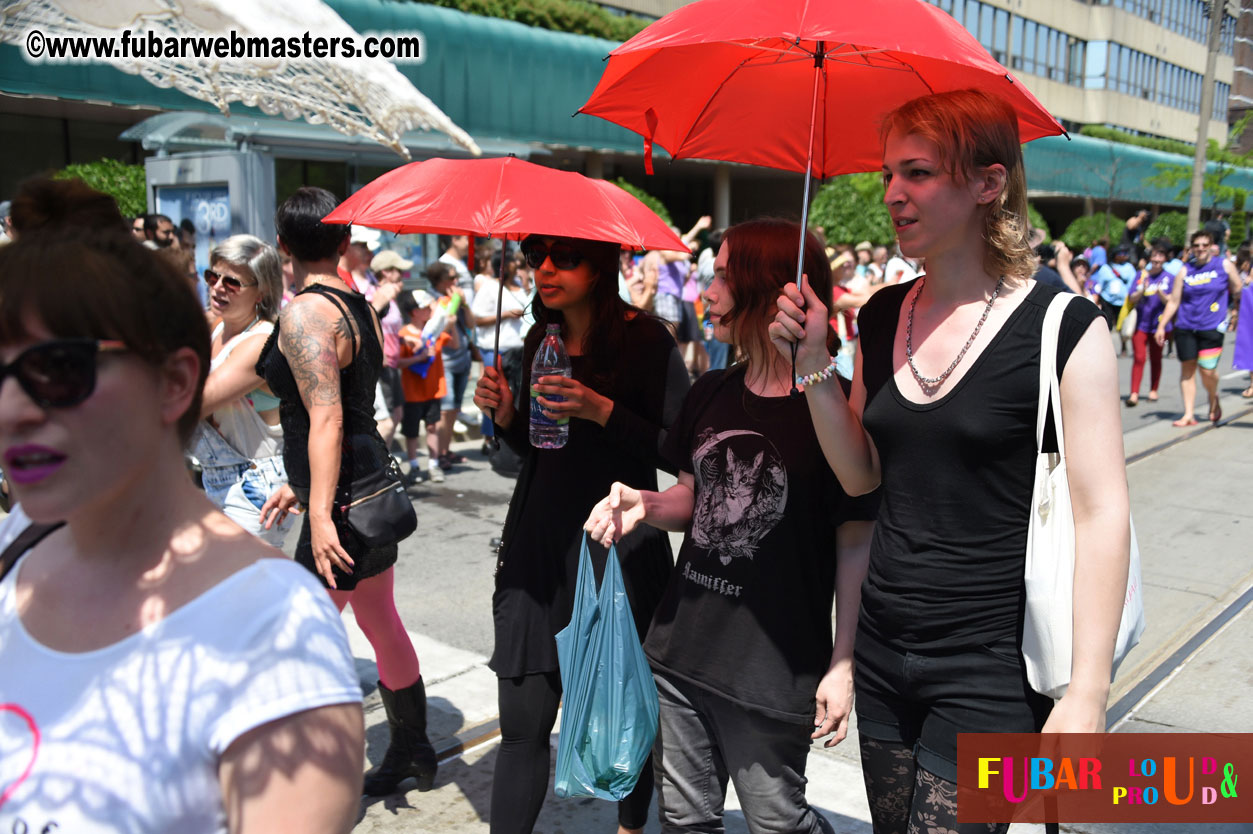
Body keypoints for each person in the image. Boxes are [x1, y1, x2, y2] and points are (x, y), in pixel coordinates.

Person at [771, 89, 1130, 833]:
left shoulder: (1063, 327)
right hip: (881, 648)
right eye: (887, 174)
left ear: (986, 184)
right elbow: (859, 475)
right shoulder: (877, 315)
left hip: (991, 668)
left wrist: (1086, 691)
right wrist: (811, 366)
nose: (892, 195)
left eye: (917, 173)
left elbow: (1103, 513)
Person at [0, 178, 364, 832]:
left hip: (249, 495)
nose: (12, 409)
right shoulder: (25, 528)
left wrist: (313, 507)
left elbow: (320, 417)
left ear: (172, 381)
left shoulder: (275, 627)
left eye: (57, 367)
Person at [583, 219, 878, 834]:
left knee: (777, 821)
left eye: (720, 276)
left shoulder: (837, 405)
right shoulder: (712, 388)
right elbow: (696, 494)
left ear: (772, 291)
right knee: (685, 820)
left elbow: (855, 540)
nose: (704, 292)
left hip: (773, 669)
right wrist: (646, 505)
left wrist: (843, 660)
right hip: (679, 649)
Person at [472, 233, 690, 834]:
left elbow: (685, 450)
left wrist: (602, 409)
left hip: (615, 548)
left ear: (598, 268)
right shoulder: (538, 340)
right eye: (537, 257)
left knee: (623, 714)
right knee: (521, 728)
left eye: (563, 258)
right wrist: (508, 417)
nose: (545, 269)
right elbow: (537, 454)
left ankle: (631, 827)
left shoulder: (646, 341)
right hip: (538, 555)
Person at [256, 187, 436, 797]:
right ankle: (414, 751)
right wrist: (298, 484)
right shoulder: (355, 301)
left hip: (344, 506)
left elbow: (328, 417)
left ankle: (312, 778)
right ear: (342, 242)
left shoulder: (308, 312)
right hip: (360, 491)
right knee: (379, 618)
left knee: (299, 639)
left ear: (282, 247)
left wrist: (320, 512)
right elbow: (340, 417)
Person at [192, 234, 293, 546]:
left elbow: (195, 402)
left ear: (261, 290)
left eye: (232, 282)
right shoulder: (218, 327)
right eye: (212, 275)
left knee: (241, 590)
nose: (218, 286)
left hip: (254, 483)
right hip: (216, 476)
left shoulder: (261, 341)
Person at [1154, 229, 1242, 426]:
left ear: (1211, 246)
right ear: (1192, 248)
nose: (1200, 249)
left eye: (1204, 245)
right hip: (1186, 326)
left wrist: (1237, 312)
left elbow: (1238, 291)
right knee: (1187, 370)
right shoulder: (1185, 270)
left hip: (1212, 326)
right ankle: (1188, 414)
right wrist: (1162, 325)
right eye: (1196, 245)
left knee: (1207, 370)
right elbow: (1173, 301)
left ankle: (1213, 397)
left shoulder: (1223, 265)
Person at [398, 289, 458, 484]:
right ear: (414, 311)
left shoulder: (434, 329)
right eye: (425, 307)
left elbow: (454, 345)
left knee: (432, 427)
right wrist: (420, 356)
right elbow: (397, 362)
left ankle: (433, 465)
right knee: (412, 432)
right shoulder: (403, 334)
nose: (429, 309)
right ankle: (414, 465)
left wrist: (452, 324)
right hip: (411, 392)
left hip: (433, 389)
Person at [472, 251, 530, 446]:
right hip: (496, 350)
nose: (516, 264)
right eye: (513, 261)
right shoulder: (489, 287)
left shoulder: (519, 285)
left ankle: (511, 435)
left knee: (515, 396)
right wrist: (505, 315)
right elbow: (477, 320)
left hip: (519, 348)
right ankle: (491, 437)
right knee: (493, 396)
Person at [427, 262, 474, 470]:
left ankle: (446, 450)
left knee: (455, 408)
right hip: (443, 360)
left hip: (462, 356)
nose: (456, 282)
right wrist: (450, 314)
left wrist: (463, 304)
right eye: (452, 278)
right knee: (445, 410)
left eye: (457, 278)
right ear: (439, 280)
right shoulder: (431, 299)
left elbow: (472, 324)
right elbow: (436, 330)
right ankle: (439, 454)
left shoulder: (456, 298)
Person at [1124, 243, 1177, 406]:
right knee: (1139, 358)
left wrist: (1162, 295)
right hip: (1141, 324)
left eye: (1160, 257)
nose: (1157, 260)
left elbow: (1173, 301)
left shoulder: (1169, 277)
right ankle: (1134, 393)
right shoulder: (1141, 275)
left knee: (1156, 358)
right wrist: (1142, 290)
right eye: (1154, 256)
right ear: (1150, 258)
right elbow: (1131, 298)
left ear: (1165, 260)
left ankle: (1153, 390)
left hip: (1160, 326)